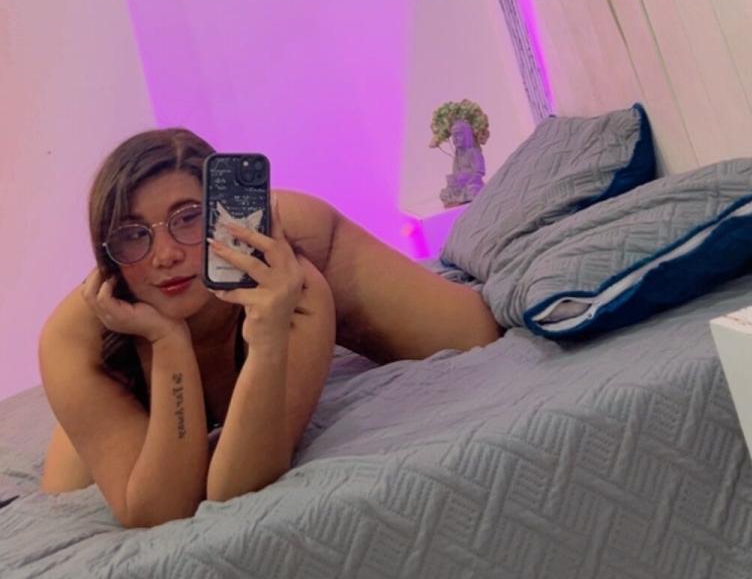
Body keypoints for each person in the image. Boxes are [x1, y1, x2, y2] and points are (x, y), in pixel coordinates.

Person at [39, 127, 501, 527]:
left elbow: (231, 487)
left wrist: (268, 337)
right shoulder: (74, 340)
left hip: (298, 242)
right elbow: (157, 511)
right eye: (133, 233)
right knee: (64, 483)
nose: (165, 255)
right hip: (134, 352)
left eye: (188, 218)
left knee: (473, 333)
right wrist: (168, 343)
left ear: (219, 215)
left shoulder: (295, 283)